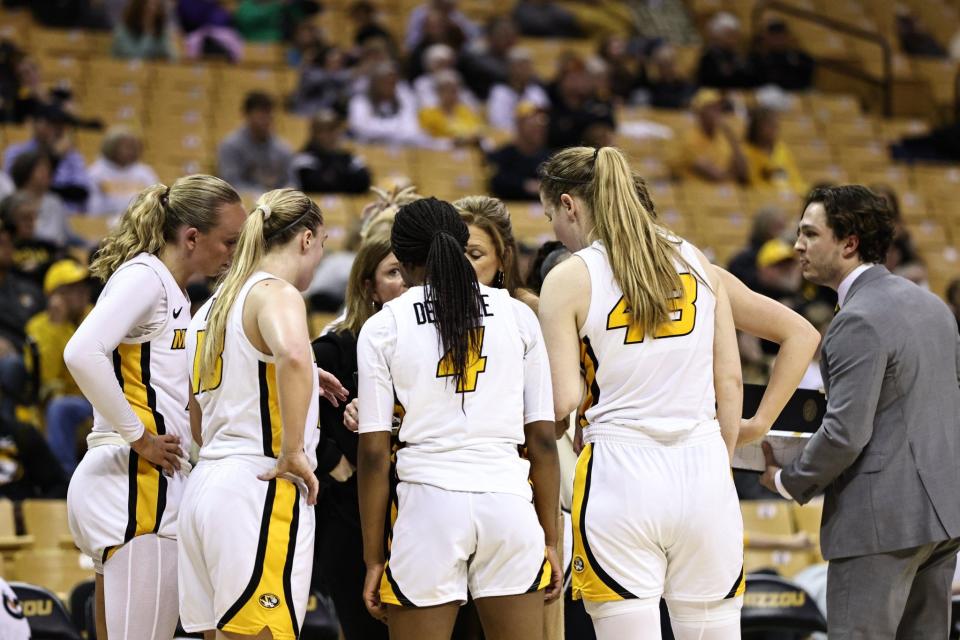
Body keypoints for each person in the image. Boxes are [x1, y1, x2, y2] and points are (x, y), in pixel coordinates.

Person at [537, 146, 744, 639]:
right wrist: (720, 459)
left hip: (620, 475)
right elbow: (730, 381)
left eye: (550, 216)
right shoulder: (696, 257)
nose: (553, 231)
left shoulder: (569, 276)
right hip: (704, 469)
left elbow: (563, 399)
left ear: (570, 205)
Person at [760, 185, 960, 639]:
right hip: (943, 516)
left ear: (849, 243)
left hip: (880, 523)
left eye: (810, 234)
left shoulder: (858, 318)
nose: (797, 246)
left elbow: (845, 434)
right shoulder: (933, 306)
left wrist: (788, 479)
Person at [357, 198, 562, 638]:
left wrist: (375, 560)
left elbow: (374, 454)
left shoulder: (383, 325)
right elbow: (543, 441)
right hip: (509, 502)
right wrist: (551, 540)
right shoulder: (518, 315)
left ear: (405, 259)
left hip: (427, 507)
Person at [63, 175, 246, 640]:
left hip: (133, 482)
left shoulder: (174, 290)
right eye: (229, 241)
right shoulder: (147, 277)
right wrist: (139, 437)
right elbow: (81, 352)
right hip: (134, 483)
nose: (234, 252)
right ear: (191, 238)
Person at [179, 188, 347, 638]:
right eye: (324, 243)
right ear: (308, 239)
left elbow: (197, 415)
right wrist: (293, 450)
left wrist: (308, 374)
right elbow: (292, 353)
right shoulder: (277, 291)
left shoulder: (210, 308)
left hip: (205, 487)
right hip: (260, 485)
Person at [312, 225, 405, 640]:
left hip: (416, 510)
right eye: (392, 273)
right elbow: (294, 421)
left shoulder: (431, 346)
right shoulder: (333, 348)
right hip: (350, 518)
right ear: (368, 285)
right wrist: (337, 464)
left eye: (410, 272)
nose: (405, 283)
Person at [24, 259, 92, 476]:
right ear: (55, 295)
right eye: (72, 289)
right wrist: (56, 327)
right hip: (62, 406)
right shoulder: (38, 326)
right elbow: (45, 378)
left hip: (98, 402)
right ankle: (63, 480)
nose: (82, 293)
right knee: (59, 408)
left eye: (82, 286)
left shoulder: (94, 317)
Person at [3, 103, 91, 211]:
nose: (56, 129)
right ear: (34, 123)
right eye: (50, 123)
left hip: (67, 214)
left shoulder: (72, 156)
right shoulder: (16, 151)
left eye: (61, 125)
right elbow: (18, 186)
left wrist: (43, 188)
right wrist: (55, 156)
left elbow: (82, 192)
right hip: (28, 211)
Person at [217, 91, 294, 194]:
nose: (266, 120)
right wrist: (262, 195)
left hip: (276, 204)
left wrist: (280, 195)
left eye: (269, 114)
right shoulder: (230, 145)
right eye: (261, 114)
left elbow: (291, 182)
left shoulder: (283, 148)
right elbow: (230, 184)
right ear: (247, 115)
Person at [290, 110, 372, 194]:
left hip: (349, 205)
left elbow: (364, 183)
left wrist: (332, 177)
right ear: (314, 134)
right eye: (323, 131)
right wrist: (345, 178)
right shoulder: (303, 159)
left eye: (334, 130)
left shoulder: (350, 158)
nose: (331, 136)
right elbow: (312, 185)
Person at [86, 126, 160, 217]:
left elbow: (156, 204)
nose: (132, 151)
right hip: (105, 224)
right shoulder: (95, 173)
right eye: (127, 147)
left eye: (134, 147)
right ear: (111, 148)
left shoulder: (145, 172)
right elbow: (93, 209)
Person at [348, 62, 425, 146]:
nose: (389, 85)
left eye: (392, 82)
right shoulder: (360, 101)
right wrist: (396, 128)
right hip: (369, 148)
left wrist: (381, 128)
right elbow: (361, 128)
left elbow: (411, 130)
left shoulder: (405, 100)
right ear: (375, 83)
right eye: (384, 82)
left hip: (400, 150)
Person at [680, 89, 747, 184]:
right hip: (699, 193)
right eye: (712, 108)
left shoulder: (725, 137)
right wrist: (732, 175)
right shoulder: (688, 138)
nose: (717, 112)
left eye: (719, 108)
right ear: (700, 112)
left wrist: (732, 138)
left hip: (727, 192)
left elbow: (743, 172)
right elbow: (716, 176)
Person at [487, 101, 550, 201]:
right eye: (532, 124)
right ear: (519, 125)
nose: (539, 126)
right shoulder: (502, 155)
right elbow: (496, 183)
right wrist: (525, 185)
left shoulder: (549, 158)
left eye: (541, 125)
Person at [743, 106, 806, 193]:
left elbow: (795, 179)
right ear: (756, 127)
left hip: (789, 197)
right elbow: (754, 183)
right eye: (769, 125)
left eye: (775, 125)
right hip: (764, 199)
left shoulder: (782, 149)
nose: (773, 130)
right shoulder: (746, 151)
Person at [487, 47, 550, 131]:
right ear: (510, 68)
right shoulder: (500, 92)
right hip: (508, 138)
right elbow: (498, 124)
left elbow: (545, 119)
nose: (525, 70)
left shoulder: (536, 91)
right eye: (521, 66)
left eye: (527, 66)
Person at [417, 70, 485, 146]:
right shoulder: (427, 113)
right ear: (438, 92)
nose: (453, 95)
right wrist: (452, 142)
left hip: (467, 151)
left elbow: (478, 130)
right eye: (449, 91)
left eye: (455, 91)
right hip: (438, 154)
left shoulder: (465, 110)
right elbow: (425, 141)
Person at [112, 0, 177, 61]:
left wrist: (162, 34)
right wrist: (148, 33)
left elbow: (172, 57)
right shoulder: (123, 30)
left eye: (156, 6)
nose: (152, 10)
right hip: (119, 70)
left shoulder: (158, 29)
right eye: (148, 8)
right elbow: (135, 58)